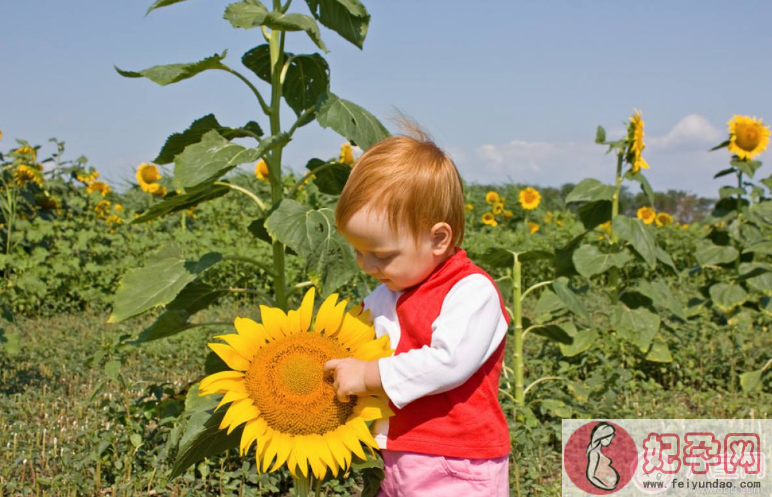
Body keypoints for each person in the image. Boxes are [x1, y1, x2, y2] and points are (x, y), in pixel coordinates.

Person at [323, 115, 512, 496]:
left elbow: (449, 361)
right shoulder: (386, 294)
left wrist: (368, 375)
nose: (367, 265)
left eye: (381, 254)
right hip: (395, 456)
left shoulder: (471, 291)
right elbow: (353, 340)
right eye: (358, 251)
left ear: (438, 239)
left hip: (457, 461)